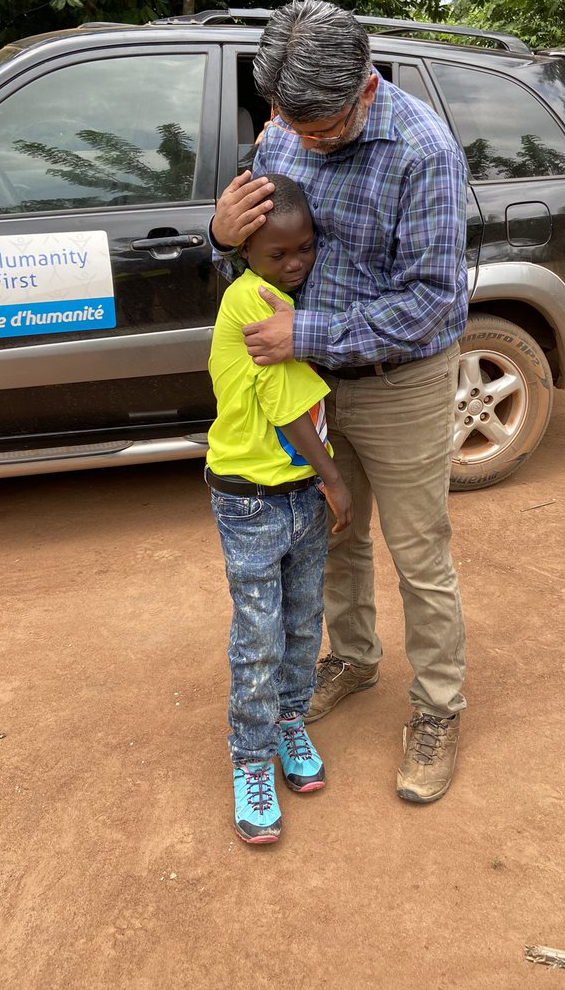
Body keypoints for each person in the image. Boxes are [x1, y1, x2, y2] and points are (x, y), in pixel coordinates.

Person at [211, 0, 469, 804]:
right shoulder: (283, 128)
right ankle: (353, 660)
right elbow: (254, 259)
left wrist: (308, 334)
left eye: (319, 130)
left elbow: (435, 303)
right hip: (310, 386)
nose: (301, 143)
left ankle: (437, 710)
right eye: (291, 125)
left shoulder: (423, 151)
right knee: (336, 531)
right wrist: (219, 237)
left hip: (400, 382)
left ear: (365, 87)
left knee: (419, 554)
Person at [206, 173, 352, 844]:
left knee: (301, 623)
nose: (295, 264)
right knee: (259, 636)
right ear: (246, 254)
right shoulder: (252, 301)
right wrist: (334, 478)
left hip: (296, 498)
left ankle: (291, 721)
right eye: (277, 254)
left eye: (305, 248)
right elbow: (287, 408)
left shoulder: (289, 294)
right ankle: (252, 760)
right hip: (253, 502)